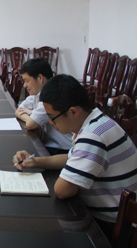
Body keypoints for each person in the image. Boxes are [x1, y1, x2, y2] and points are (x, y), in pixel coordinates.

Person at [13, 75, 137, 238]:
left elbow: (62, 190)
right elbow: (71, 158)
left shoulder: (93, 137)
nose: (51, 123)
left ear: (73, 112)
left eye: (52, 117)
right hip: (112, 218)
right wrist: (35, 161)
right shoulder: (97, 121)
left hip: (114, 227)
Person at [15, 58, 72, 155]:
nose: (25, 85)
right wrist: (34, 120)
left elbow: (30, 124)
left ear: (40, 78)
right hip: (49, 145)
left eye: (27, 81)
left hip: (61, 150)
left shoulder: (51, 96)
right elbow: (18, 110)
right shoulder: (37, 94)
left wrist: (32, 117)